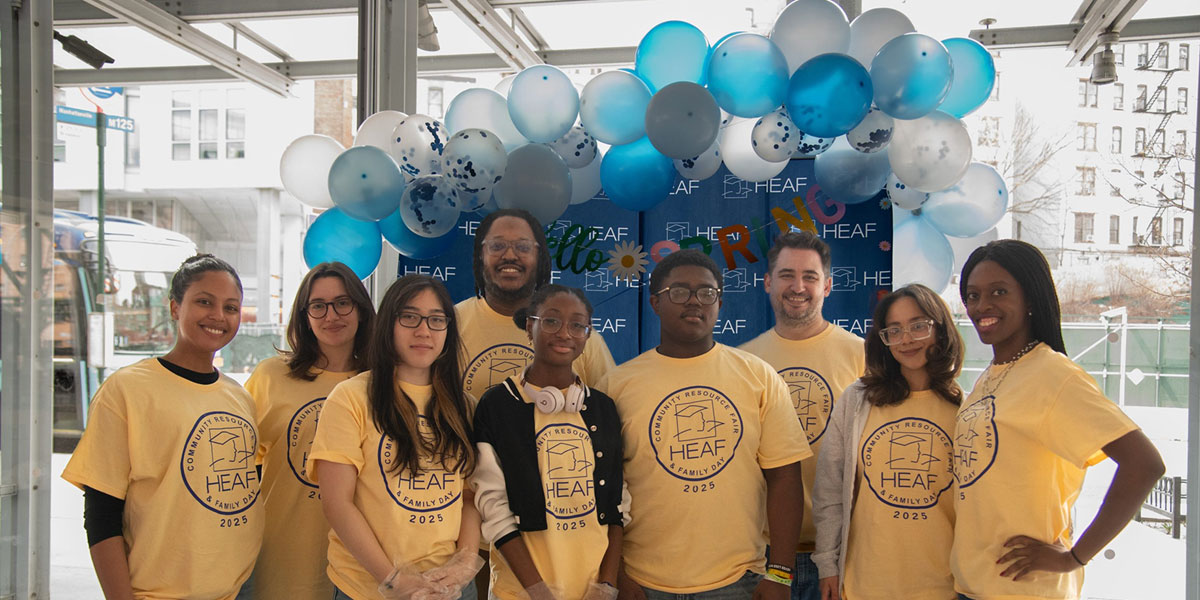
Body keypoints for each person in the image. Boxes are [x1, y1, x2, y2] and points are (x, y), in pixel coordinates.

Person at [952, 240, 1165, 600]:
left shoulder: (1053, 375)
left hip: (1025, 592)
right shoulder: (995, 373)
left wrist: (1074, 557)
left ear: (1031, 298)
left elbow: (1144, 465)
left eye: (998, 292)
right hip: (974, 586)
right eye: (972, 296)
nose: (981, 306)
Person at [597, 249, 811, 600]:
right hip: (641, 582)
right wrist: (616, 572)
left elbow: (785, 477)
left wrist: (781, 575)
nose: (694, 301)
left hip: (739, 579)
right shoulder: (616, 386)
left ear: (720, 303)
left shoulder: (758, 376)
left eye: (707, 293)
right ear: (654, 303)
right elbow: (602, 490)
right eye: (679, 292)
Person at [61, 254, 263, 599]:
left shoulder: (238, 396)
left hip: (236, 590)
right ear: (174, 308)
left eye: (231, 307)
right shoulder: (127, 389)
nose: (218, 316)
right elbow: (101, 514)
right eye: (204, 302)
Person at [310, 274, 484, 600]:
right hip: (368, 587)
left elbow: (470, 496)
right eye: (409, 317)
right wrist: (394, 580)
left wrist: (464, 563)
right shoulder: (350, 398)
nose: (423, 330)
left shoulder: (465, 407)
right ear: (388, 323)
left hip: (450, 589)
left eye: (436, 320)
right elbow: (337, 503)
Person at [473, 284, 629, 600]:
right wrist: (538, 592)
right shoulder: (497, 405)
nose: (565, 333)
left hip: (590, 590)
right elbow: (493, 509)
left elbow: (617, 507)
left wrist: (607, 587)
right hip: (520, 592)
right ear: (530, 326)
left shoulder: (603, 408)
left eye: (577, 325)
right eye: (552, 320)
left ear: (588, 336)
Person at [812, 284, 965, 600]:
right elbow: (829, 489)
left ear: (940, 329)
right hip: (865, 583)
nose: (906, 339)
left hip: (943, 586)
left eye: (918, 326)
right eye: (893, 330)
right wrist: (827, 563)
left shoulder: (965, 407)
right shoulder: (857, 400)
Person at [739, 231, 864, 600]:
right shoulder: (743, 361)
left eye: (809, 277)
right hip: (762, 556)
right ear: (767, 283)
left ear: (826, 285)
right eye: (786, 275)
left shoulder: (865, 356)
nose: (798, 286)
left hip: (842, 554)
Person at [245, 262, 376, 599]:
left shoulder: (382, 385)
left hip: (365, 564)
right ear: (304, 315)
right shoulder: (271, 376)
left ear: (361, 309)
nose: (331, 315)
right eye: (318, 305)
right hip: (284, 555)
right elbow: (241, 465)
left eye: (342, 302)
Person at [457, 209, 615, 402]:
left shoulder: (577, 335)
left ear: (539, 257)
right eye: (497, 245)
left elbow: (609, 411)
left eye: (523, 247)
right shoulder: (450, 326)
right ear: (481, 254)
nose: (510, 255)